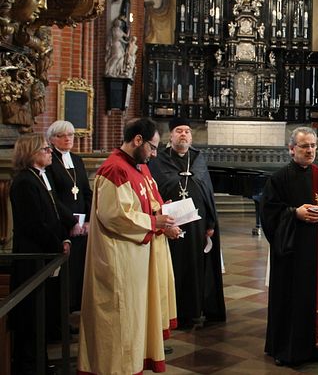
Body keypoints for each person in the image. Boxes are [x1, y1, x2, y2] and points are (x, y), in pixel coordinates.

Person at [78, 118, 181, 374]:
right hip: (119, 259)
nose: (155, 154)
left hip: (138, 256)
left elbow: (149, 202)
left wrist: (163, 217)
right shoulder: (115, 170)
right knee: (120, 318)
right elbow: (116, 216)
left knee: (136, 318)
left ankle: (134, 362)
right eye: (153, 147)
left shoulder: (140, 167)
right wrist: (154, 221)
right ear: (138, 140)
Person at [260, 126, 318, 366]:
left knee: (315, 296)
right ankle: (287, 349)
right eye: (304, 146)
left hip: (316, 252)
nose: (310, 150)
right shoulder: (278, 179)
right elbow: (268, 213)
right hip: (290, 252)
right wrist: (293, 213)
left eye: (313, 146)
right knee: (289, 299)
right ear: (291, 149)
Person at [9, 133, 76, 375]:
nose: (50, 152)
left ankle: (40, 361)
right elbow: (35, 224)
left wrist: (66, 233)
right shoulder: (24, 182)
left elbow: (54, 211)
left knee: (42, 313)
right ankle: (29, 366)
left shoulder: (39, 177)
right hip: (32, 257)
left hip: (44, 254)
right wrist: (58, 242)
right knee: (30, 315)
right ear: (31, 153)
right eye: (46, 149)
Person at [150, 117, 226, 328]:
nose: (183, 134)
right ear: (171, 135)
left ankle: (194, 310)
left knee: (194, 266)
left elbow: (207, 190)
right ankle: (171, 311)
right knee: (173, 266)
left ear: (191, 137)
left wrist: (210, 223)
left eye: (187, 131)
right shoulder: (159, 160)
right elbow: (156, 188)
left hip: (196, 225)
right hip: (170, 223)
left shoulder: (199, 159)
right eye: (178, 131)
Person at [45, 120, 92, 313]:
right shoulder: (49, 162)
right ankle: (59, 316)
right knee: (63, 274)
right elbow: (52, 197)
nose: (67, 139)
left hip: (82, 227)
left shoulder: (78, 160)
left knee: (77, 271)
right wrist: (71, 222)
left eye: (71, 135)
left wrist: (88, 220)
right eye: (62, 136)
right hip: (62, 225)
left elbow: (86, 193)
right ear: (51, 140)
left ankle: (71, 312)